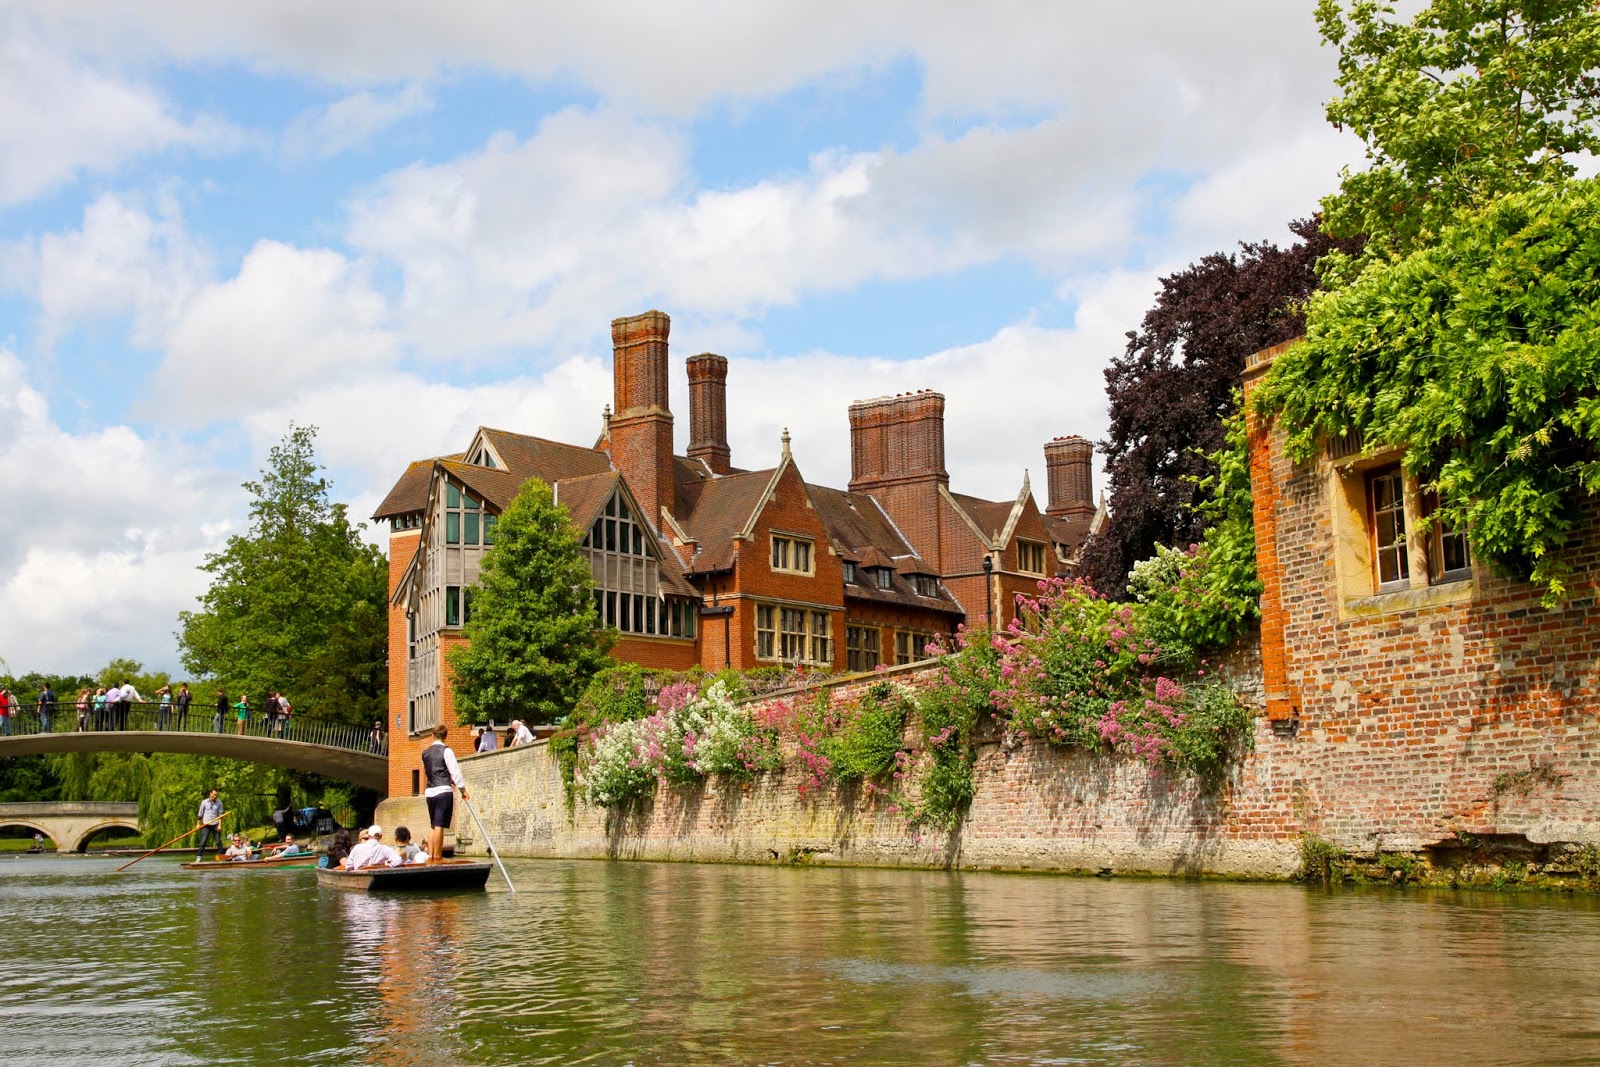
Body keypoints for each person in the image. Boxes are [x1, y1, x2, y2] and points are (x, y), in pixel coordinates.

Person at [421, 724, 468, 865]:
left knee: (433, 824)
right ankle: (437, 856)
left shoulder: (425, 753)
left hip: (429, 792)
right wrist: (463, 790)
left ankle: (430, 857)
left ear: (433, 735)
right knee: (440, 824)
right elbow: (455, 771)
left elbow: (431, 771)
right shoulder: (446, 751)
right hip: (443, 791)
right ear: (445, 736)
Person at [195, 789, 224, 860]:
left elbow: (220, 815)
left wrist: (220, 825)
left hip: (215, 824)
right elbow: (200, 814)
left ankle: (221, 857)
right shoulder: (204, 802)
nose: (215, 796)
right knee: (203, 841)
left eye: (216, 795)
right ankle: (199, 857)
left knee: (218, 841)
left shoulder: (219, 803)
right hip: (206, 824)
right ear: (210, 794)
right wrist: (198, 824)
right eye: (214, 795)